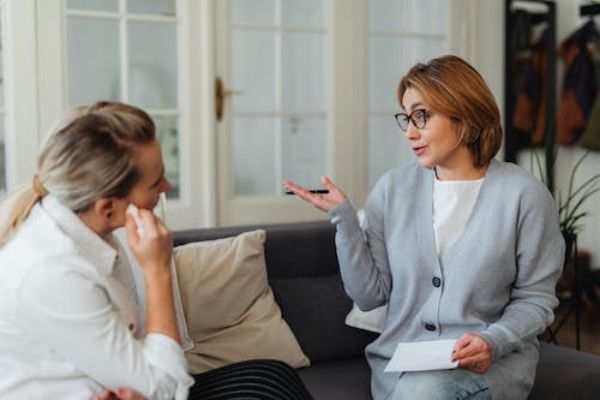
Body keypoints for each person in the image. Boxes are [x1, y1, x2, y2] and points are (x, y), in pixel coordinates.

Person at [284, 55, 565, 400]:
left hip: (489, 366)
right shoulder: (392, 190)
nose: (410, 132)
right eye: (407, 117)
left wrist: (493, 341)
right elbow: (369, 296)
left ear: (464, 114)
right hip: (401, 370)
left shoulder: (525, 195)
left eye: (422, 116)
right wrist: (343, 218)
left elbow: (535, 300)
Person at [0, 101, 312, 400]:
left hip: (122, 386)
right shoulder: (52, 272)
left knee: (272, 376)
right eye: (155, 182)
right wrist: (158, 271)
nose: (166, 186)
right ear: (107, 208)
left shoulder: (89, 227)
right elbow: (162, 389)